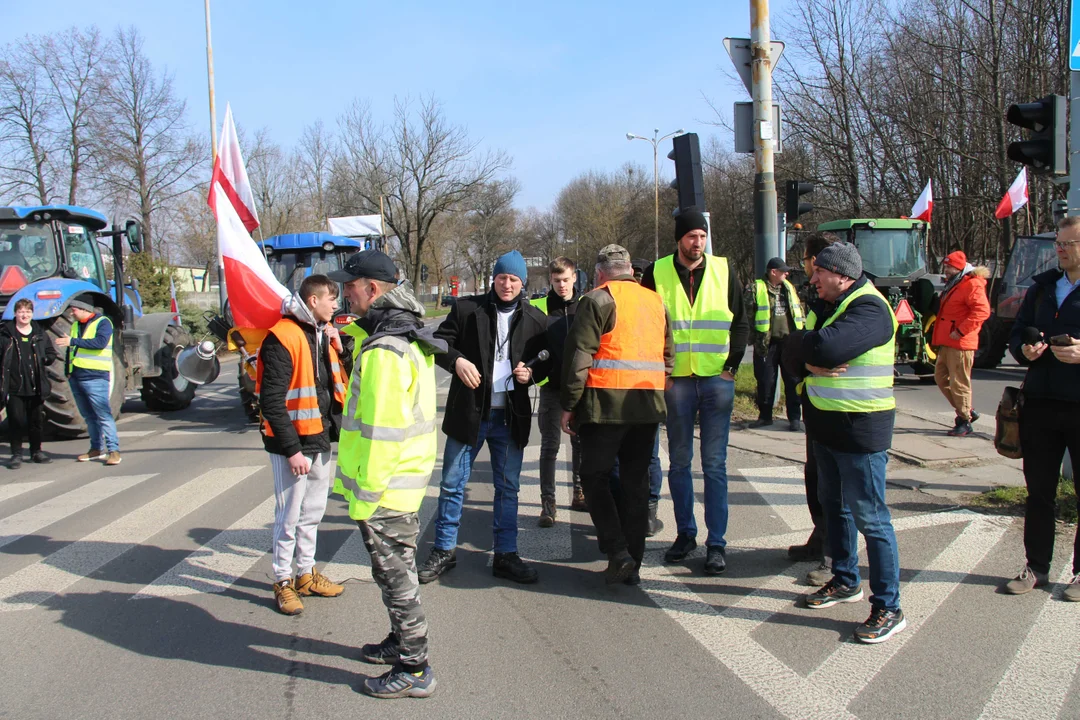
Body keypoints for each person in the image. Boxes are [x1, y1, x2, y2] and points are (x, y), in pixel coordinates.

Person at [328, 251, 446, 698]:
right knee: (394, 574)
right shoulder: (403, 334)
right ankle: (401, 642)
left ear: (372, 290)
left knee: (398, 579)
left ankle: (415, 669)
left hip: (386, 490)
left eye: (350, 286)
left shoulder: (384, 351)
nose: (345, 293)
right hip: (402, 484)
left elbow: (381, 433)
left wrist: (366, 497)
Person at [790, 241, 906, 644]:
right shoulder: (828, 305)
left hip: (860, 431)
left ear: (842, 274)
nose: (813, 277)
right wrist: (805, 356)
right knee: (834, 508)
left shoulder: (871, 308)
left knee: (871, 519)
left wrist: (804, 350)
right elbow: (784, 350)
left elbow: (826, 346)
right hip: (827, 427)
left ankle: (888, 606)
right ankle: (844, 580)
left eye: (819, 271)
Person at [420, 250, 548, 585]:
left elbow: (546, 358)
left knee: (508, 488)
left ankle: (506, 553)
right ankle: (444, 550)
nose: (507, 285)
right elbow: (437, 341)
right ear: (494, 278)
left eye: (514, 279)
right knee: (451, 484)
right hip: (470, 414)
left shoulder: (535, 319)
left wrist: (531, 371)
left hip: (509, 416)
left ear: (523, 283)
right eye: (502, 277)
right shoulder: (467, 309)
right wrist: (457, 361)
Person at [641, 208, 749, 575]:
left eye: (702, 236)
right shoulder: (656, 272)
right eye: (691, 236)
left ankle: (716, 543)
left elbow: (741, 321)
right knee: (681, 463)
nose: (697, 242)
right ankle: (686, 533)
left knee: (715, 466)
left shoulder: (723, 268)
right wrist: (661, 373)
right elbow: (645, 326)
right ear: (679, 239)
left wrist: (731, 367)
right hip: (678, 382)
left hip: (717, 380)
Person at [561, 245, 674, 585]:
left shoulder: (597, 299)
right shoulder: (655, 300)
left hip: (605, 404)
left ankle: (617, 550)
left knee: (593, 477)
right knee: (636, 484)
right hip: (647, 405)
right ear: (629, 269)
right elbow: (669, 355)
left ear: (599, 272)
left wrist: (569, 405)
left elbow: (580, 356)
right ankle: (632, 565)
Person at [255, 275, 349, 616]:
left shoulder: (320, 334)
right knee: (289, 515)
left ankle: (306, 574)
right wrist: (292, 450)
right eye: (331, 299)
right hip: (291, 445)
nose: (336, 305)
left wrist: (341, 346)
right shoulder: (282, 338)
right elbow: (272, 401)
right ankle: (282, 580)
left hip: (319, 435)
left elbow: (334, 382)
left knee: (313, 512)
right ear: (313, 301)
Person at [1004, 215, 1080, 601]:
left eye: (1068, 243)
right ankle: (1036, 567)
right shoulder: (1042, 288)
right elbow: (1017, 333)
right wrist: (1024, 350)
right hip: (1041, 405)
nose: (1060, 250)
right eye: (1059, 243)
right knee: (1039, 493)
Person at [786, 232, 839, 584]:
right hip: (817, 402)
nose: (808, 272)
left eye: (808, 262)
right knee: (814, 475)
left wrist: (801, 352)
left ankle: (834, 558)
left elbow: (825, 350)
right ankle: (819, 539)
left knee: (833, 485)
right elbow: (798, 345)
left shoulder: (843, 301)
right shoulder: (818, 298)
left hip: (841, 408)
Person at [530, 257, 584, 524]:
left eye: (566, 279)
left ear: (575, 277)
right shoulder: (540, 308)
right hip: (551, 388)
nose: (561, 285)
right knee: (549, 446)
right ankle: (548, 504)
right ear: (550, 280)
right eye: (556, 281)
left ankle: (579, 492)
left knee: (579, 443)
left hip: (579, 387)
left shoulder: (585, 305)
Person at [53, 296, 121, 466]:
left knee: (103, 415)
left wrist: (72, 341)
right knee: (89, 417)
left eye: (74, 309)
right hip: (77, 376)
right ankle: (96, 449)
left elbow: (99, 343)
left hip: (95, 376)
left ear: (84, 309)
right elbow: (72, 351)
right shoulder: (76, 325)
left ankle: (114, 451)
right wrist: (69, 372)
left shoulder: (103, 322)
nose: (72, 312)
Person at [931, 250, 990, 437]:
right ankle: (967, 410)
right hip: (948, 340)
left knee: (959, 383)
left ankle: (964, 420)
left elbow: (982, 311)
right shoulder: (957, 283)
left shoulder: (972, 284)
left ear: (958, 268)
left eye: (948, 267)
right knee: (941, 377)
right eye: (945, 266)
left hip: (961, 342)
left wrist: (961, 330)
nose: (945, 270)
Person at [749, 257, 805, 431]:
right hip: (766, 344)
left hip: (789, 342)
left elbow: (799, 311)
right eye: (783, 271)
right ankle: (765, 416)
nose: (786, 273)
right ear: (773, 272)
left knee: (793, 380)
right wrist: (753, 338)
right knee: (766, 381)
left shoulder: (789, 288)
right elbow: (747, 315)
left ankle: (794, 418)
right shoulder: (756, 288)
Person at [1, 298, 57, 467]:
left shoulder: (39, 334)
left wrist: (46, 358)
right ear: (15, 314)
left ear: (32, 314)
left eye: (27, 312)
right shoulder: (6, 334)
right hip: (14, 385)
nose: (24, 315)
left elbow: (50, 353)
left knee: (36, 422)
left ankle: (36, 452)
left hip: (36, 385)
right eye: (21, 312)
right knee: (16, 421)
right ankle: (16, 454)